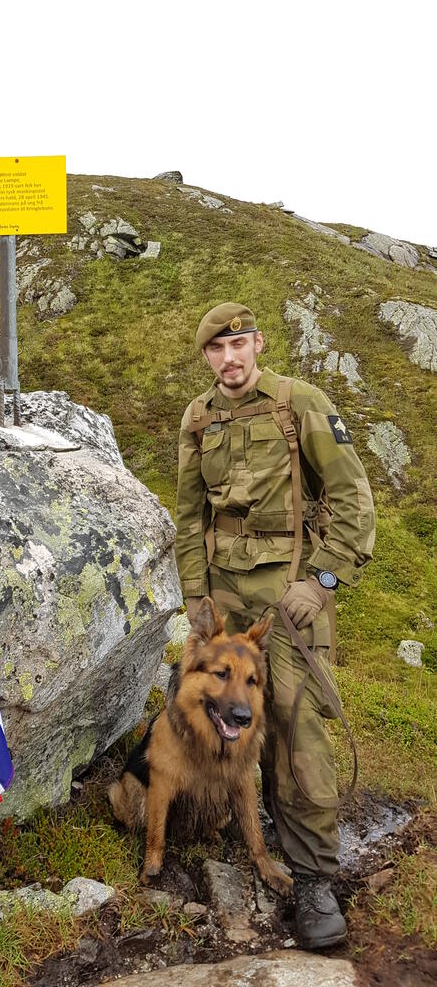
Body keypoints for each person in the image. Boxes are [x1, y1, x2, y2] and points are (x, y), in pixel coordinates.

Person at [174, 302, 375, 951]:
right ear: (206, 357)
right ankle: (241, 829)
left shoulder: (299, 403)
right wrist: (196, 598)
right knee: (224, 719)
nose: (228, 358)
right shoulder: (198, 417)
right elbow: (189, 516)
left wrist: (321, 582)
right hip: (223, 604)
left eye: (238, 344)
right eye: (216, 349)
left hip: (288, 599)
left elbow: (352, 495)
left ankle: (314, 878)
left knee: (293, 727)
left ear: (258, 343)